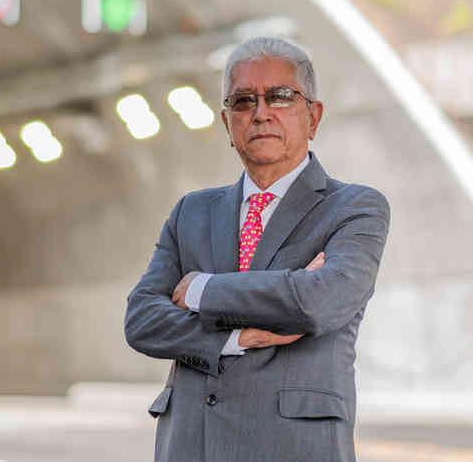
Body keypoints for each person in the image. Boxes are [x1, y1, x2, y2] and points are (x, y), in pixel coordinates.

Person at [124, 37, 390, 462]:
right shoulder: (191, 212)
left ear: (313, 116)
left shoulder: (354, 208)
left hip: (294, 448)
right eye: (243, 100)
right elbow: (142, 320)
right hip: (194, 447)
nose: (261, 112)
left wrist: (199, 292)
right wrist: (234, 338)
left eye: (280, 97)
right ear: (227, 122)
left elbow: (319, 302)